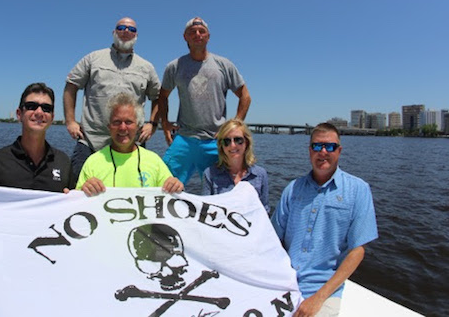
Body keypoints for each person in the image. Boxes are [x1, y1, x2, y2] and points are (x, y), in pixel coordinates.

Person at [271, 123, 378, 317]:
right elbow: (273, 239)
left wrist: (319, 298)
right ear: (309, 150)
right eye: (317, 146)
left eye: (329, 146)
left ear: (339, 150)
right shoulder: (292, 189)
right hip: (283, 280)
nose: (323, 152)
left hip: (323, 290)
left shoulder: (358, 190)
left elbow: (357, 251)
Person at [159, 17, 252, 194]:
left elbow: (245, 97)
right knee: (163, 186)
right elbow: (162, 96)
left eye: (201, 31)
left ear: (208, 36)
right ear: (185, 37)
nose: (197, 35)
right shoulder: (174, 66)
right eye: (192, 32)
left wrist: (233, 127)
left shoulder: (224, 65)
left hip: (215, 142)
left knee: (222, 193)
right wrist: (165, 124)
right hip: (184, 138)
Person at [64, 17, 161, 183]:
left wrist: (152, 124)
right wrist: (70, 121)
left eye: (131, 29)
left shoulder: (146, 67)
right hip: (91, 142)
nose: (126, 32)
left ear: (136, 35)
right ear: (114, 32)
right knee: (77, 194)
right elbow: (71, 86)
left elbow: (158, 97)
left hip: (131, 144)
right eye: (121, 27)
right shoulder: (93, 59)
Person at [0, 83, 72, 208]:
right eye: (31, 106)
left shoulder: (63, 161)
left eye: (46, 108)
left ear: (52, 117)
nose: (39, 112)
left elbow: (74, 205)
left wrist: (86, 192)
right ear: (19, 114)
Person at [77, 92, 183, 196]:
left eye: (128, 122)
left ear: (138, 126)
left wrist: (175, 186)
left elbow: (172, 195)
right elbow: (76, 202)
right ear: (109, 127)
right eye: (117, 122)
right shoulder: (92, 163)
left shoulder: (154, 161)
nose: (123, 128)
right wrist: (85, 189)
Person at [202, 118, 270, 213]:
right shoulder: (209, 174)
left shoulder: (260, 174)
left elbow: (264, 211)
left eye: (238, 140)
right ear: (221, 146)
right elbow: (205, 211)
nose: (232, 145)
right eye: (227, 141)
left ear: (246, 142)